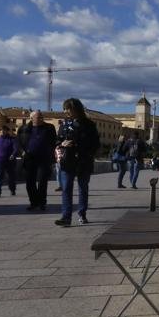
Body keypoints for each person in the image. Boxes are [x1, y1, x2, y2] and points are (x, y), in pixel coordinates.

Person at [55, 97, 99, 227]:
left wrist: (80, 147)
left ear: (76, 109)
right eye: (65, 109)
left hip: (84, 161)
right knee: (66, 188)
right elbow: (57, 140)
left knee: (82, 188)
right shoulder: (64, 124)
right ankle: (66, 217)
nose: (66, 112)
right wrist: (62, 143)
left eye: (68, 109)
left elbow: (95, 144)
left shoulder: (89, 125)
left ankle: (82, 213)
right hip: (67, 160)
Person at [16, 110, 57, 212]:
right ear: (31, 118)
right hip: (29, 158)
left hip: (44, 158)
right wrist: (22, 152)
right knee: (30, 183)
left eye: (41, 117)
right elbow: (18, 142)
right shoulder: (23, 128)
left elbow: (54, 141)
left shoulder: (49, 128)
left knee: (42, 181)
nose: (40, 119)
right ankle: (34, 203)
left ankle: (42, 203)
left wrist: (52, 154)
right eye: (38, 117)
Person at [0, 125, 18, 197]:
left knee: (11, 177)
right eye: (1, 130)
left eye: (4, 130)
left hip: (10, 161)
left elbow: (16, 149)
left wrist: (13, 155)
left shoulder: (12, 140)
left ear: (7, 131)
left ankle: (12, 189)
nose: (2, 131)